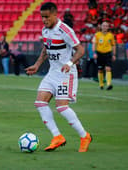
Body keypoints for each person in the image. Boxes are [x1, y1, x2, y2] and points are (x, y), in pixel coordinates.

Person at [25, 2, 92, 152]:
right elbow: (46, 49)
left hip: (66, 74)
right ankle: (57, 137)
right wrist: (37, 65)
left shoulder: (64, 30)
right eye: (42, 17)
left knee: (61, 107)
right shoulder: (45, 30)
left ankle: (84, 136)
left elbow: (80, 50)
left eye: (47, 17)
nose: (44, 20)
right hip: (52, 72)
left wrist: (69, 63)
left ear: (55, 15)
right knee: (40, 103)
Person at [92, 21, 116, 90]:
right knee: (100, 70)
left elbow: (113, 45)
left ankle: (109, 84)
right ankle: (101, 85)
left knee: (108, 68)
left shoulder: (111, 35)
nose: (105, 27)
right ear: (101, 26)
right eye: (103, 25)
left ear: (108, 27)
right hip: (99, 53)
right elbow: (94, 44)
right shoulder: (97, 34)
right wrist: (94, 53)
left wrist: (114, 54)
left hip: (108, 53)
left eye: (106, 26)